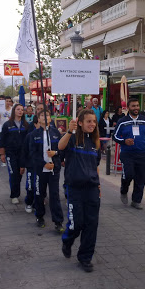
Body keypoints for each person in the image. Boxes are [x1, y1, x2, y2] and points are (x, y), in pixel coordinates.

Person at [58, 109, 101, 273]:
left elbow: (95, 166)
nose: (92, 124)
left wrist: (99, 186)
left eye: (94, 121)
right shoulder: (72, 138)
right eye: (89, 121)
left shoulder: (95, 143)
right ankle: (67, 241)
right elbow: (60, 146)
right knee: (77, 223)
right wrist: (69, 131)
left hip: (91, 189)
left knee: (91, 224)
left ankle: (85, 257)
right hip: (74, 188)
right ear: (81, 123)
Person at [113, 98, 145, 210]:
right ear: (128, 107)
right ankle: (124, 190)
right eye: (133, 106)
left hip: (142, 154)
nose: (136, 108)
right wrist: (124, 141)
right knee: (129, 174)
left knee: (141, 179)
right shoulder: (123, 121)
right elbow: (115, 136)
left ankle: (136, 201)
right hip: (127, 154)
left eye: (137, 106)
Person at [29, 110, 64, 232]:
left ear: (50, 118)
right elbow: (32, 153)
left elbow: (62, 150)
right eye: (42, 115)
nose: (45, 117)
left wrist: (55, 153)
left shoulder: (55, 133)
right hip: (40, 170)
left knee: (54, 195)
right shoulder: (34, 134)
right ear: (38, 119)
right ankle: (40, 217)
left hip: (54, 170)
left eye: (47, 115)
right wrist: (43, 164)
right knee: (39, 194)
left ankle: (58, 221)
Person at [0, 104, 28, 204]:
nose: (20, 111)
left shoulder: (26, 125)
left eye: (22, 110)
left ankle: (17, 191)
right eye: (18, 109)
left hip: (22, 153)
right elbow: (2, 139)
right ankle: (14, 195)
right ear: (14, 111)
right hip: (10, 153)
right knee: (13, 174)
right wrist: (2, 154)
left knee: (20, 173)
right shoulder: (7, 124)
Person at [20, 115, 40, 214]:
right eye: (40, 124)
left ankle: (37, 204)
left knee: (39, 186)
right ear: (35, 124)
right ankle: (29, 202)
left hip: (42, 167)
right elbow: (25, 151)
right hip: (31, 166)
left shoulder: (47, 135)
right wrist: (23, 165)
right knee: (30, 185)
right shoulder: (30, 136)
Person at [0, 96, 13, 166]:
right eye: (7, 101)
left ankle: (8, 155)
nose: (8, 102)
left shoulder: (12, 110)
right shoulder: (0, 109)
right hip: (1, 128)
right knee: (0, 142)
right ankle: (0, 154)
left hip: (10, 128)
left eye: (9, 101)